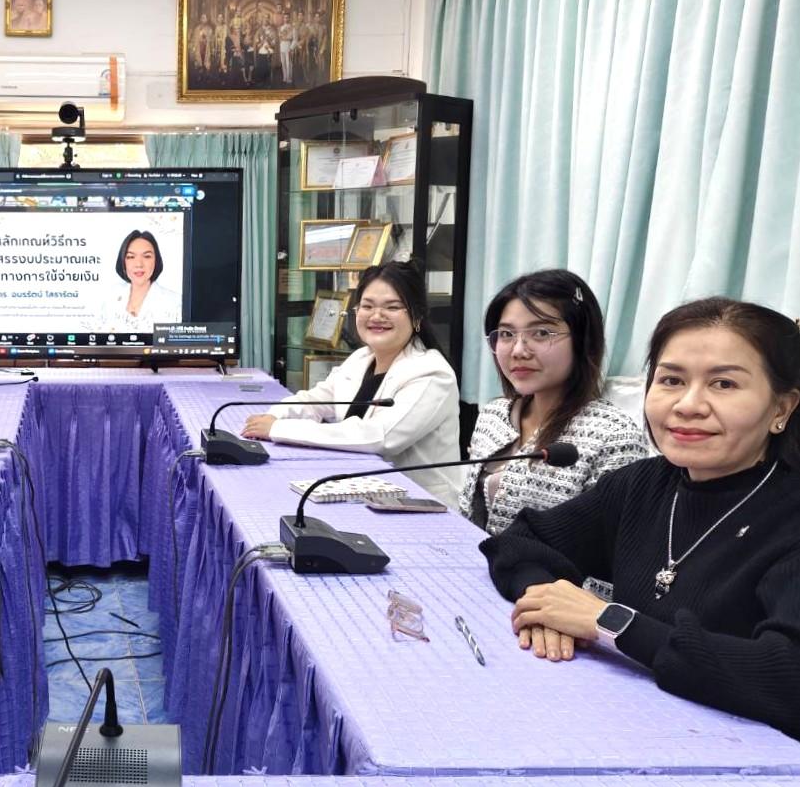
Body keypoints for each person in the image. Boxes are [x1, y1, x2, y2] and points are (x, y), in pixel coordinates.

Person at [481, 297, 800, 738]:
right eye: (671, 379)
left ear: (782, 409)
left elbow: (786, 676)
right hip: (626, 724)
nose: (688, 405)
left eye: (723, 385)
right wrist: (546, 599)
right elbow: (523, 538)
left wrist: (610, 622)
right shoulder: (645, 483)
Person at [243, 260, 462, 507]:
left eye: (392, 307)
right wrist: (273, 416)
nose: (377, 316)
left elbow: (380, 437)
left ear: (417, 316)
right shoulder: (361, 358)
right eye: (367, 306)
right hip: (360, 492)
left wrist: (279, 430)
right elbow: (317, 400)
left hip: (418, 506)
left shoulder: (431, 373)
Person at [462, 270, 648, 534]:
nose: (518, 350)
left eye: (540, 333)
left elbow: (610, 555)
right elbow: (468, 514)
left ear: (582, 340)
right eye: (506, 334)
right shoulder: (494, 415)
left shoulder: (614, 437)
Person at [101, 230, 182, 334]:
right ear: (123, 261)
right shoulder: (111, 296)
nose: (139, 264)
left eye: (147, 256)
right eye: (131, 257)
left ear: (156, 261)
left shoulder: (176, 303)